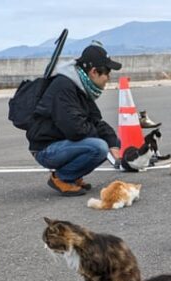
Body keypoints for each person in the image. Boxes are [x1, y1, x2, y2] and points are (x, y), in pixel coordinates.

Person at [28, 44, 123, 196]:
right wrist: (103, 140)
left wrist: (113, 142)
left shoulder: (81, 86)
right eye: (107, 73)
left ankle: (73, 176)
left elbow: (96, 120)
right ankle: (62, 178)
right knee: (99, 147)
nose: (108, 78)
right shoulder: (64, 87)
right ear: (93, 72)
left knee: (111, 143)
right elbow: (75, 130)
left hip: (61, 143)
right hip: (45, 148)